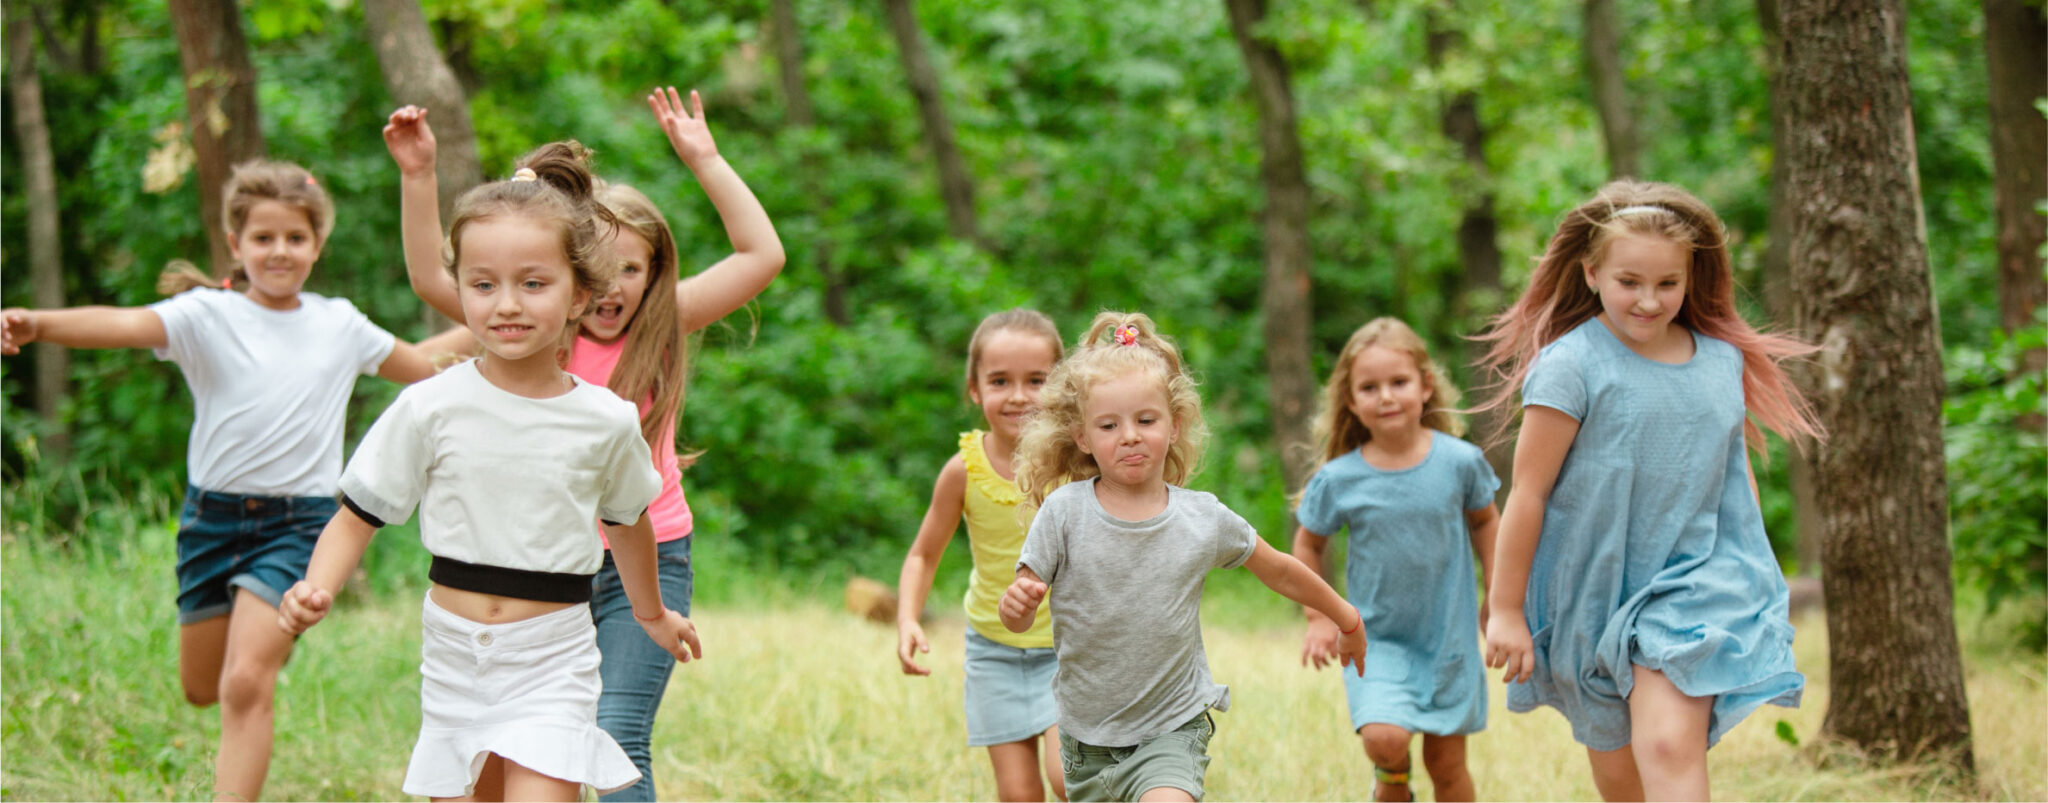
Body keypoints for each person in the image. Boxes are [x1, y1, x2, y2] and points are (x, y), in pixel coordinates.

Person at [0, 159, 463, 802]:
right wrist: (40, 324)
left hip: (298, 525)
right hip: (210, 522)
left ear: (317, 245)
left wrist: (498, 315)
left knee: (245, 683)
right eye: (264, 238)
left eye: (295, 238)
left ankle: (259, 664)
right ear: (236, 245)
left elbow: (423, 367)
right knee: (203, 686)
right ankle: (260, 636)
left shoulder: (340, 323)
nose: (280, 251)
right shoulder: (205, 315)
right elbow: (124, 324)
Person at [381, 86, 784, 801]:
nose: (615, 286)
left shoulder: (662, 326)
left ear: (656, 274)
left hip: (648, 555)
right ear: (570, 276)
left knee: (616, 731)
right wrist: (418, 179)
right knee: (510, 749)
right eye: (602, 267)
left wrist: (707, 159)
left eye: (634, 268)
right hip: (541, 564)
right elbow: (427, 275)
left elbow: (762, 254)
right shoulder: (539, 329)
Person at [276, 144, 701, 802]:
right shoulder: (429, 404)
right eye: (483, 284)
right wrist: (317, 586)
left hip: (553, 653)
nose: (507, 304)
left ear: (579, 293)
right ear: (463, 289)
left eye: (533, 284)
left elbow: (630, 523)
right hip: (455, 656)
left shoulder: (606, 420)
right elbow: (358, 516)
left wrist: (651, 613)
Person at [1474, 181, 1824, 801]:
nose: (1648, 300)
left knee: (1666, 745)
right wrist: (1506, 610)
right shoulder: (1570, 365)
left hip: (1695, 584)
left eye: (1668, 284)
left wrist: (1752, 569)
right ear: (1590, 273)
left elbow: (1728, 477)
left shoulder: (1721, 362)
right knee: (1622, 780)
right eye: (1629, 281)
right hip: (1594, 590)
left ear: (1691, 278)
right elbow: (1527, 493)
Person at [998, 311, 1366, 802]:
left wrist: (1345, 618)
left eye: (1145, 420)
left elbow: (1278, 569)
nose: (1129, 435)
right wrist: (1016, 607)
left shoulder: (1202, 519)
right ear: (1083, 438)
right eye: (1108, 425)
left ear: (1173, 426)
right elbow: (1019, 615)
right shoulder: (1065, 513)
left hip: (1171, 726)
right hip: (1086, 739)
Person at [1291, 317, 1499, 802]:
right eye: (1370, 387)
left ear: (1426, 387)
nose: (1385, 396)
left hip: (1448, 637)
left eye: (1399, 382)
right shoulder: (1339, 479)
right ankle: (1392, 779)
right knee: (1385, 739)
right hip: (1374, 637)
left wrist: (1497, 596)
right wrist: (1318, 616)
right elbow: (1308, 546)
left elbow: (1487, 523)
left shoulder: (1460, 462)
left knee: (1447, 766)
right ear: (1350, 400)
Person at [896, 308, 1068, 801]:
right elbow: (923, 556)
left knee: (1067, 778)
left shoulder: (1078, 461)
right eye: (1000, 381)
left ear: (1061, 386)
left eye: (1036, 380)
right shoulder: (963, 470)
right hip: (993, 650)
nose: (1018, 396)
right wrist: (908, 618)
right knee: (1018, 794)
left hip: (1069, 648)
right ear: (974, 388)